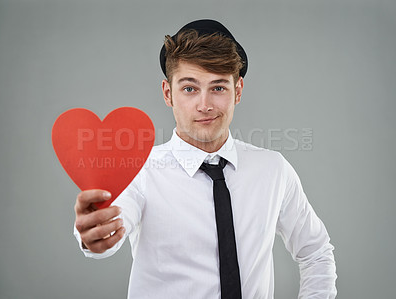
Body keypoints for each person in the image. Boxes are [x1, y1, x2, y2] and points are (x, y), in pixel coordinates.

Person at [73, 19, 337, 298]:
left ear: (238, 91)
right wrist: (95, 237)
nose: (205, 105)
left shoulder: (273, 169)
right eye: (189, 88)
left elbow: (316, 252)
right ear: (168, 93)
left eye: (218, 88)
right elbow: (112, 225)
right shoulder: (140, 170)